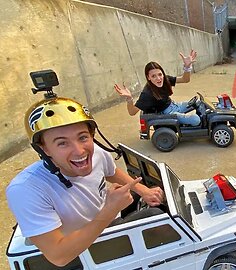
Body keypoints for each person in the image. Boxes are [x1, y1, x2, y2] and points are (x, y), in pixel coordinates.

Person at [6, 95, 165, 266]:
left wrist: (144, 191)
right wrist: (110, 209)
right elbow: (59, 256)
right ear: (44, 149)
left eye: (83, 137)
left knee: (143, 195)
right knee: (155, 216)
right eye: (62, 143)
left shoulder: (95, 152)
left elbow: (111, 171)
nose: (79, 151)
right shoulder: (25, 189)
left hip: (106, 219)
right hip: (83, 250)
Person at [114, 50, 201, 126]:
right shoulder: (147, 94)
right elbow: (132, 112)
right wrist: (129, 99)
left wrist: (187, 67)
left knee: (199, 103)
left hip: (174, 105)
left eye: (160, 74)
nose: (158, 78)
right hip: (167, 114)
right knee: (196, 119)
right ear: (148, 77)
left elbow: (185, 80)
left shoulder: (165, 79)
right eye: (153, 76)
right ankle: (183, 126)